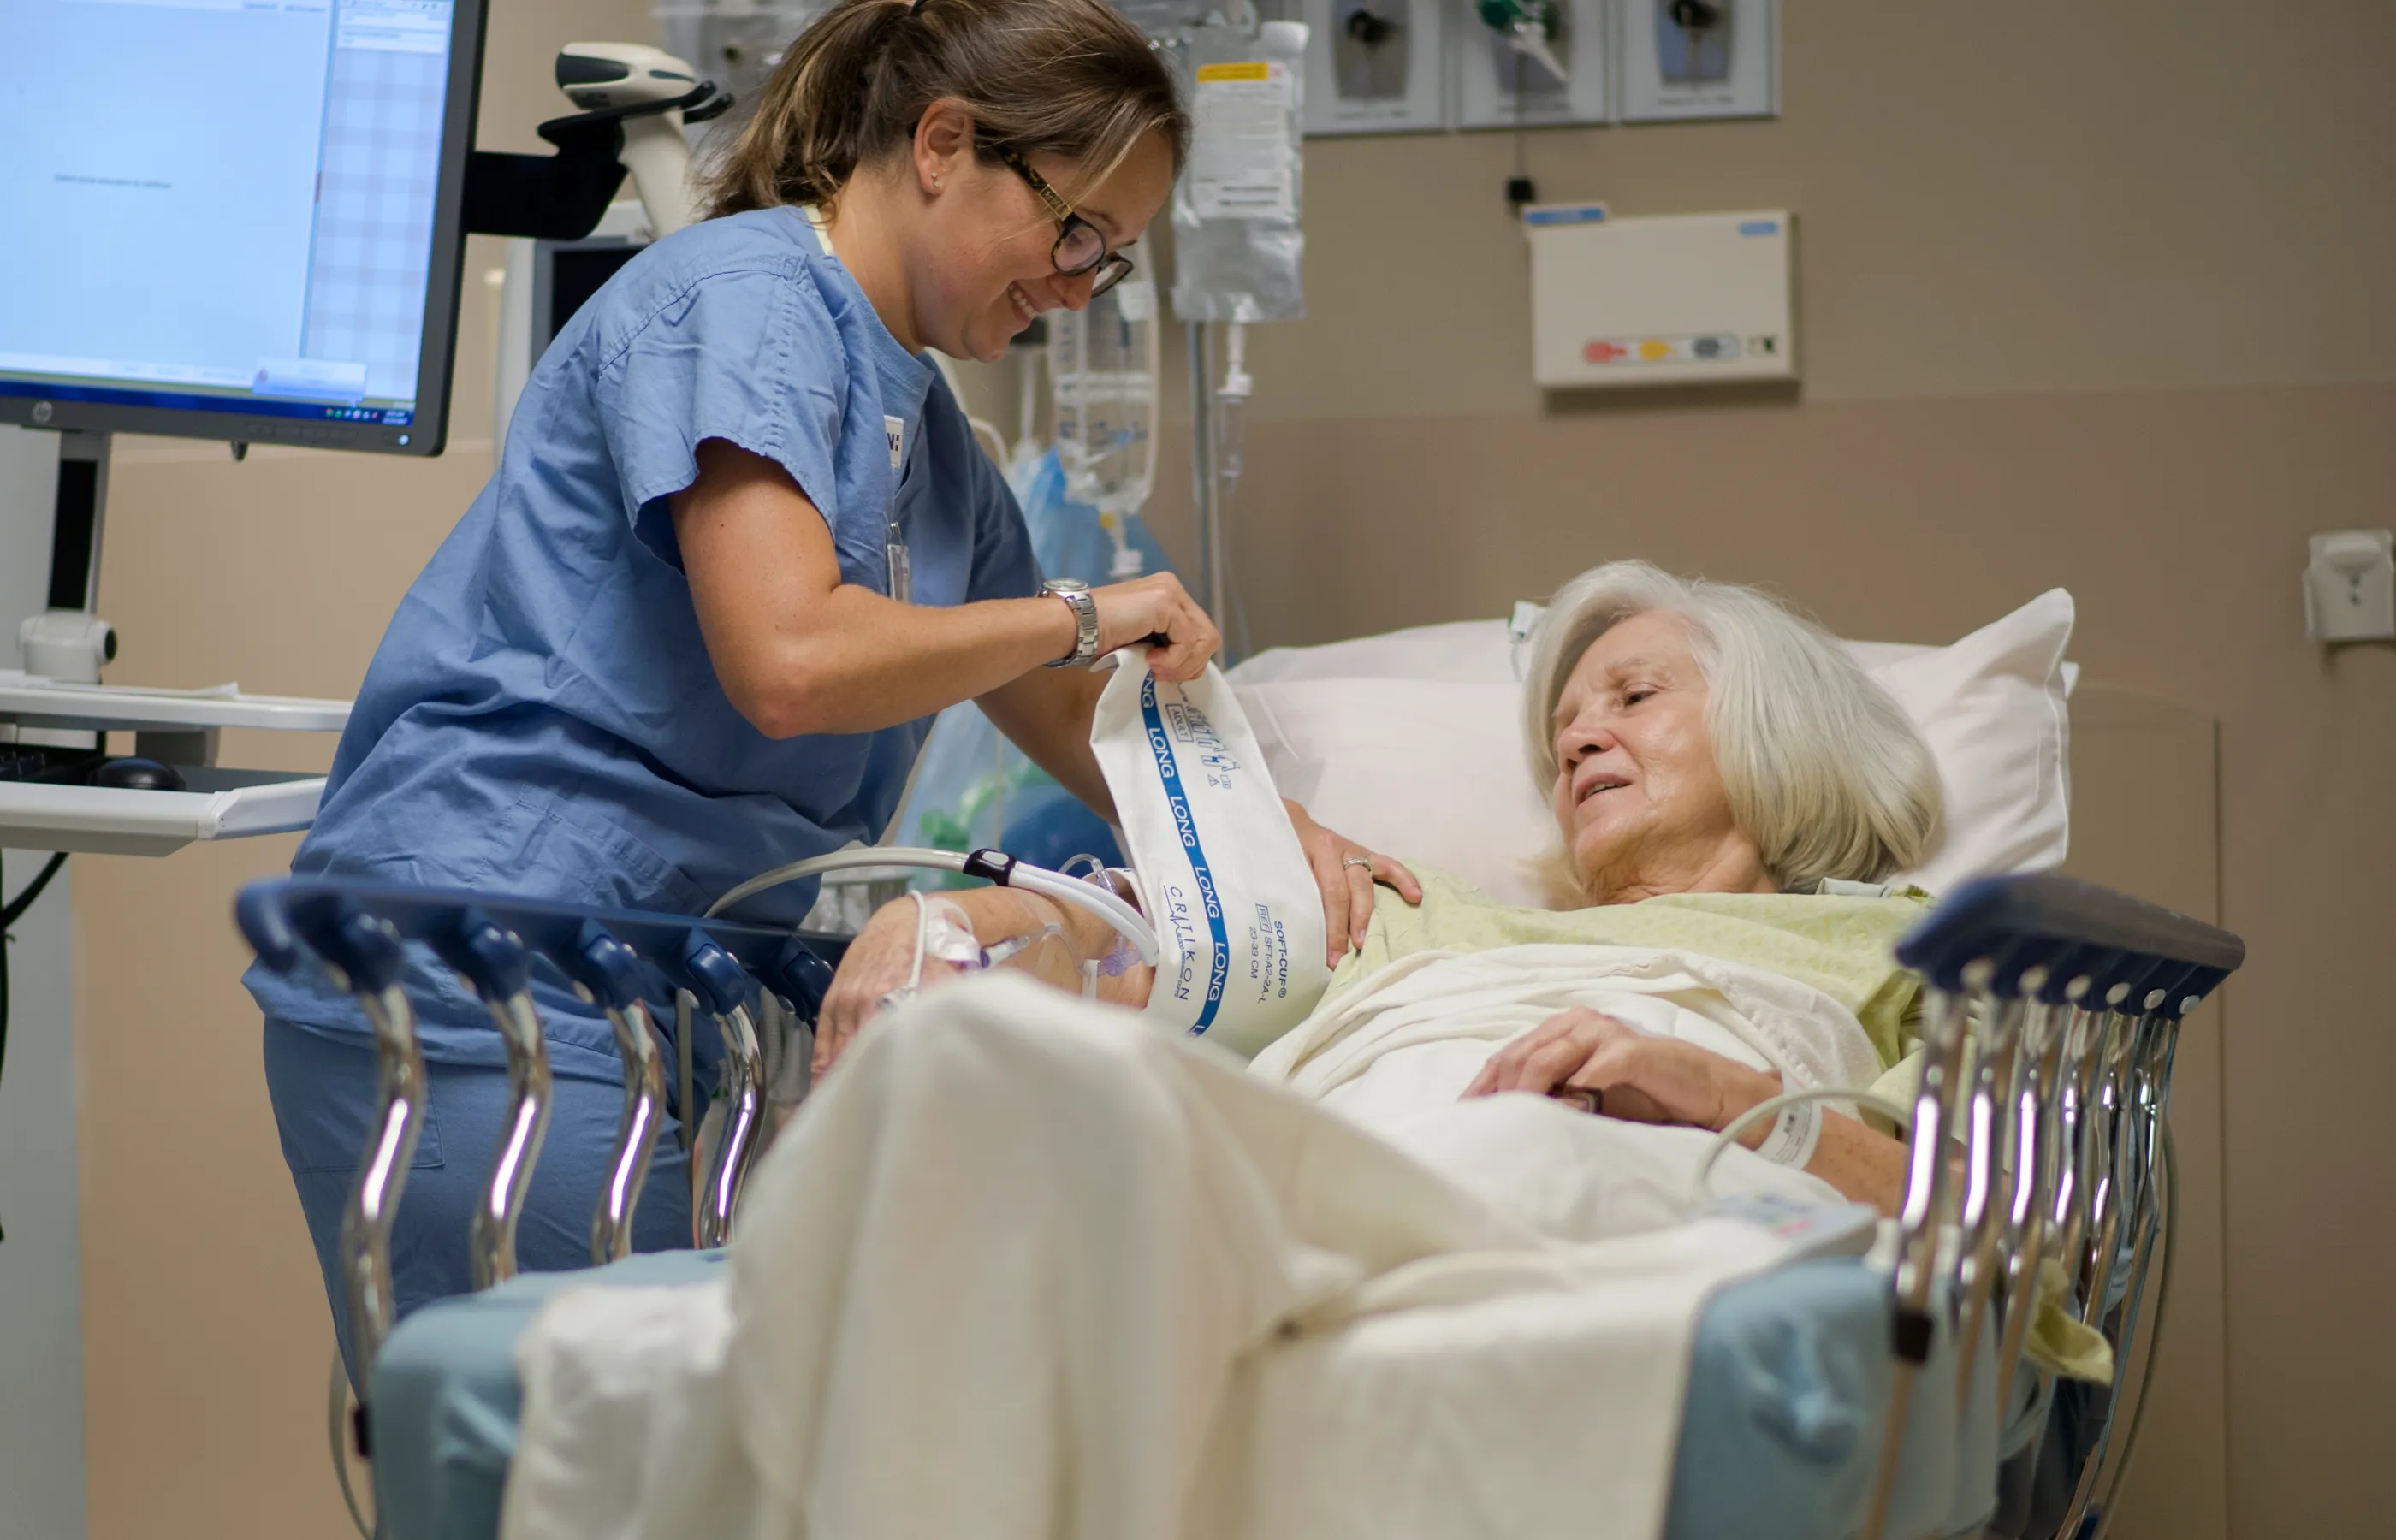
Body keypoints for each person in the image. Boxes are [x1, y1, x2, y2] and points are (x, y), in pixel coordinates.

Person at [248, 0, 1408, 1359]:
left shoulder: (937, 447)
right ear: (942, 143)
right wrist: (1079, 609)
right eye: (1076, 230)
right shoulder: (740, 305)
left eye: (1116, 259)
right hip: (482, 970)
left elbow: (1073, 717)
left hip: (658, 990)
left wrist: (1276, 843)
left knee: (683, 1459)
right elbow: (792, 663)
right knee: (573, 1466)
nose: (1083, 286)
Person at [817, 560, 1944, 1212]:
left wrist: (1708, 1090)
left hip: (1623, 1200)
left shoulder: (1907, 947)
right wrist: (949, 919)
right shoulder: (1411, 909)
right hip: (1320, 1193)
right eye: (1564, 734)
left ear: (1776, 729)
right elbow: (1122, 937)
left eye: (1633, 698)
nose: (1582, 738)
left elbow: (1982, 1227)